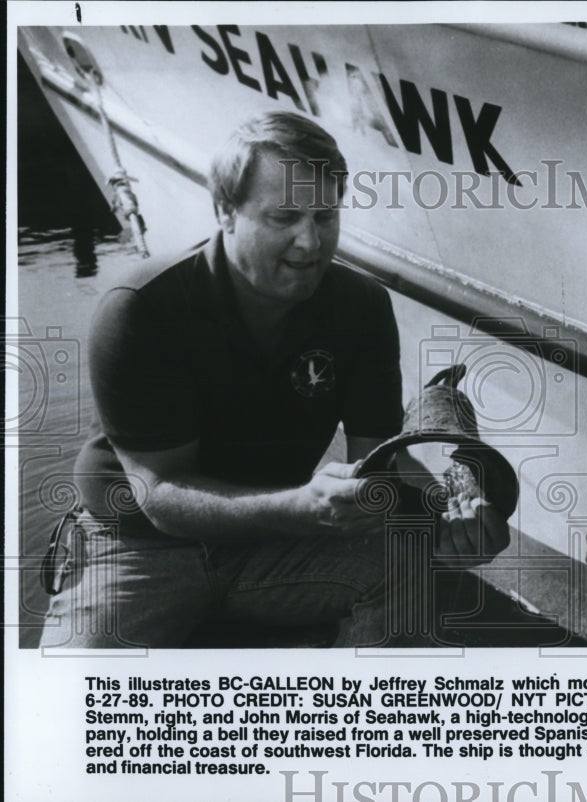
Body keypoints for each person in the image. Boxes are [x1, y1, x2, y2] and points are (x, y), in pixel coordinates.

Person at [40, 111, 506, 649]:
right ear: (225, 211)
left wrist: (454, 509)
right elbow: (160, 494)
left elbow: (379, 462)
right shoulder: (141, 308)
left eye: (325, 215)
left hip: (278, 539)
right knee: (70, 697)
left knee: (410, 558)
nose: (310, 242)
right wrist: (301, 508)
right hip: (138, 545)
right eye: (284, 216)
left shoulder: (361, 306)